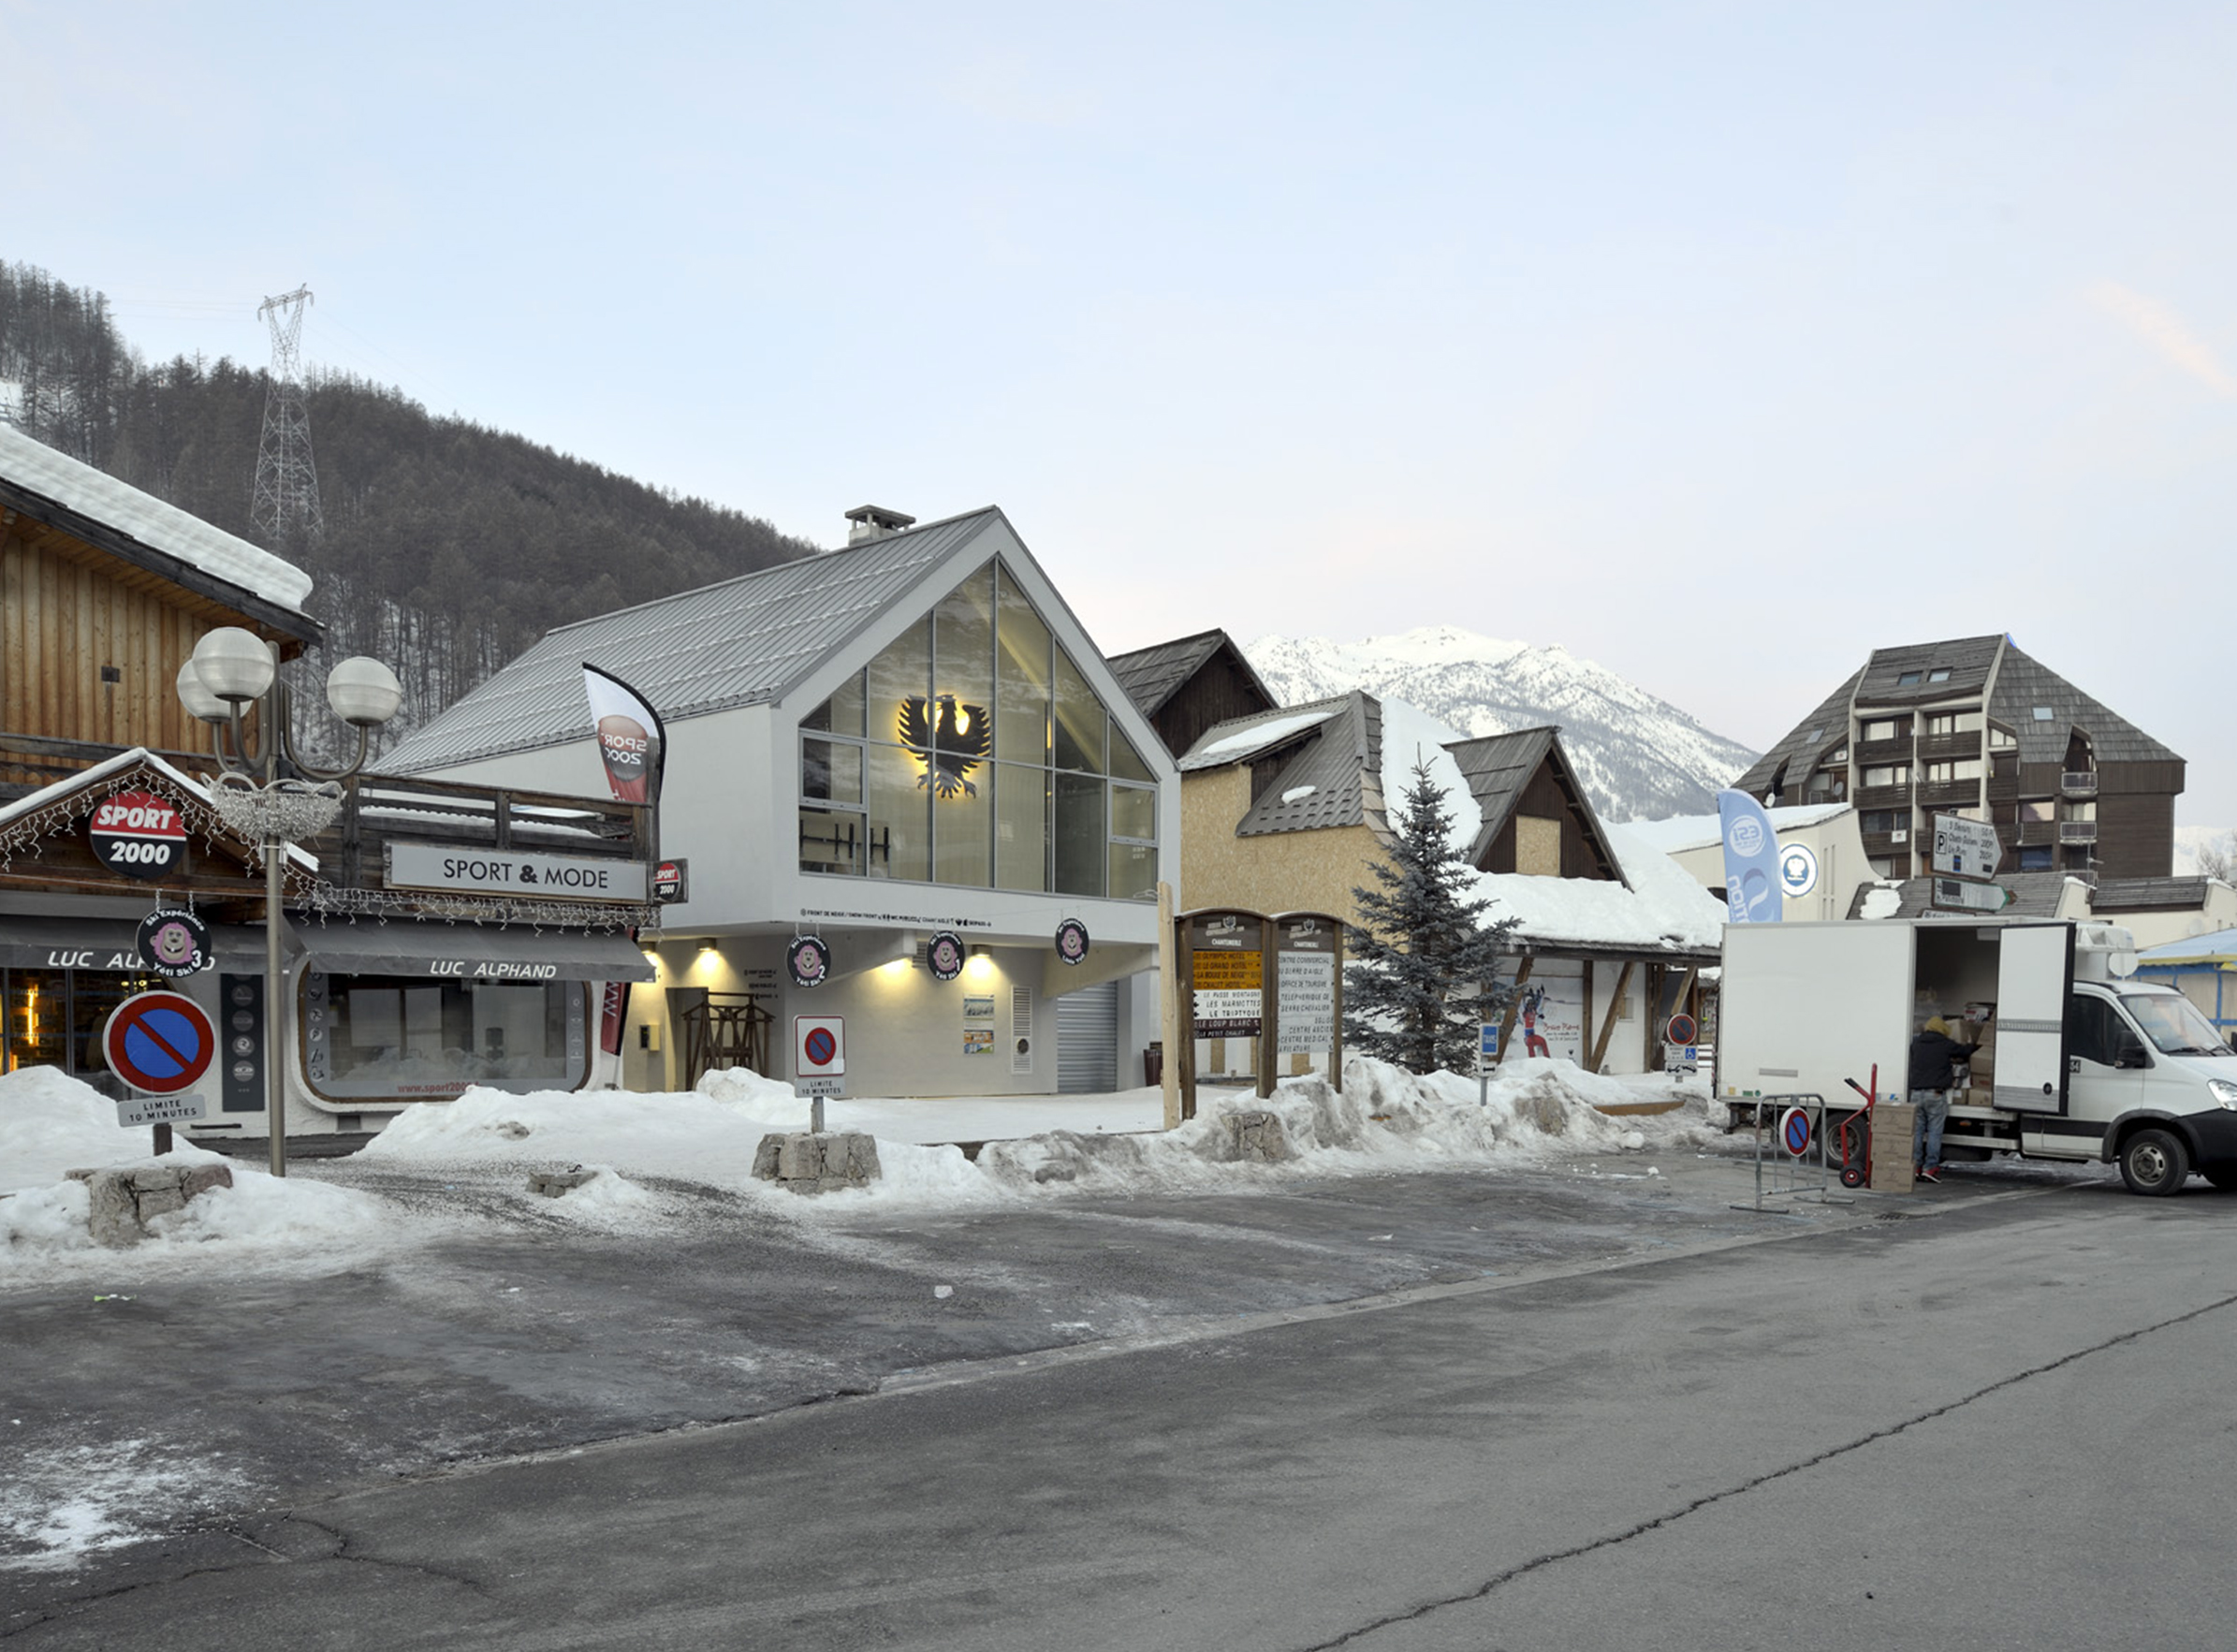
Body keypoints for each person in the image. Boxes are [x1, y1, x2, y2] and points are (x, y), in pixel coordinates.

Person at [1908, 1015, 1969, 1183]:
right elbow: (1964, 1051)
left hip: (1916, 1094)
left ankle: (1915, 1167)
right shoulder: (1945, 1044)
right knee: (1934, 1132)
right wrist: (1975, 1045)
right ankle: (1930, 1168)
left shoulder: (1917, 1044)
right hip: (1935, 1094)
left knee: (1918, 1132)